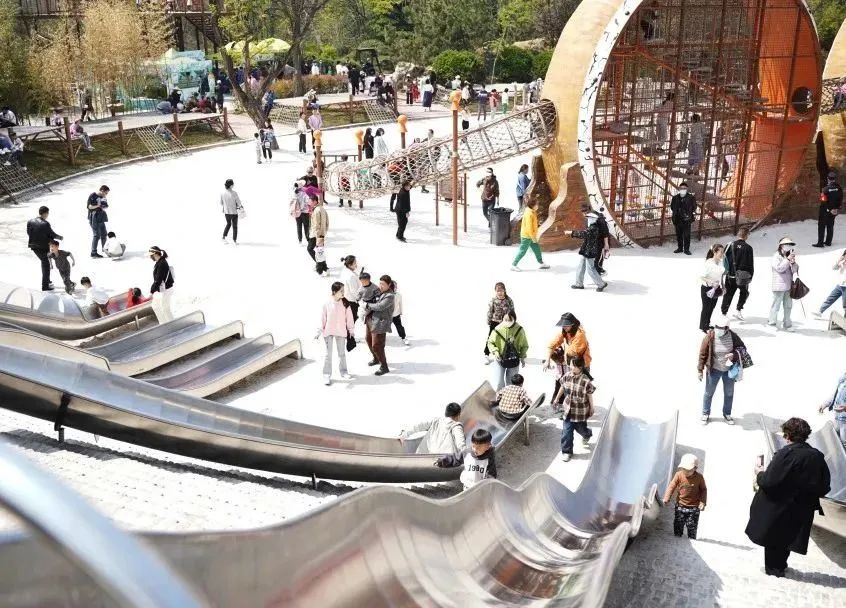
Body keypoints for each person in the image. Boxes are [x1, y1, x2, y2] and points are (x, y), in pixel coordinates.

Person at [745, 417, 831, 577]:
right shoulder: (817, 456)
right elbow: (824, 486)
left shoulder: (785, 454)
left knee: (774, 538)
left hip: (778, 507)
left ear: (788, 435)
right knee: (788, 538)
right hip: (801, 509)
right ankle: (781, 565)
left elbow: (768, 482)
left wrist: (759, 473)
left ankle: (774, 570)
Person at [697, 315, 745, 425]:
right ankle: (705, 413)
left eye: (721, 327)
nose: (718, 329)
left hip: (729, 371)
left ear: (727, 328)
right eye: (716, 327)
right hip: (714, 370)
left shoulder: (733, 336)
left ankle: (727, 414)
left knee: (729, 393)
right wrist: (700, 370)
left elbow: (743, 348)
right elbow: (702, 354)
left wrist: (733, 355)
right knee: (708, 393)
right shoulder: (710, 336)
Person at [556, 357, 594, 462]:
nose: (570, 367)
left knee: (581, 429)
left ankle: (587, 434)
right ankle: (567, 452)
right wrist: (557, 399)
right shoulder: (567, 376)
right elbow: (562, 387)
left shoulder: (585, 380)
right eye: (570, 365)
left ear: (579, 367)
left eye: (573, 365)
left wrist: (592, 407)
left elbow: (590, 395)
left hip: (580, 411)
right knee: (566, 431)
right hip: (568, 409)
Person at [545, 312, 591, 398]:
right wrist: (548, 360)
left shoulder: (580, 334)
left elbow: (572, 352)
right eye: (563, 325)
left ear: (572, 324)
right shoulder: (565, 331)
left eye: (566, 325)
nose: (564, 327)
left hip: (581, 366)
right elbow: (551, 345)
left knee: (581, 392)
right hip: (571, 365)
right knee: (567, 389)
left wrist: (560, 360)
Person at [662, 454, 707, 540]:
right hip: (680, 505)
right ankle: (677, 537)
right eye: (683, 469)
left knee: (692, 525)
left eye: (688, 470)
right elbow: (672, 486)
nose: (685, 472)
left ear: (695, 468)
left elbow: (703, 490)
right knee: (678, 523)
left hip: (694, 507)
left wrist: (702, 502)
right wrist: (667, 497)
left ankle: (692, 538)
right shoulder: (679, 475)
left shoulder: (699, 478)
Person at [318, 281, 355, 385]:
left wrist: (351, 330)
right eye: (341, 291)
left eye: (343, 290)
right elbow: (323, 318)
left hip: (341, 331)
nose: (343, 293)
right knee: (328, 355)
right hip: (328, 331)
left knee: (341, 354)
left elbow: (349, 318)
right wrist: (319, 330)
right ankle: (326, 375)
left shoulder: (345, 303)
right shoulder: (327, 303)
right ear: (334, 292)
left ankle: (344, 372)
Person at [402, 402, 466, 460]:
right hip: (444, 461)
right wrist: (467, 456)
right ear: (458, 415)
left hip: (425, 457)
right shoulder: (456, 426)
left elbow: (419, 426)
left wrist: (404, 435)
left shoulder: (435, 421)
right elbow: (461, 444)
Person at [362, 275, 396, 376]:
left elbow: (380, 306)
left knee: (377, 345)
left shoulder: (390, 296)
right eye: (380, 283)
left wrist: (367, 305)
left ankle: (384, 367)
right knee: (368, 339)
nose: (380, 286)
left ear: (389, 285)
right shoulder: (379, 291)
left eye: (383, 284)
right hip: (370, 319)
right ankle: (376, 358)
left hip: (380, 323)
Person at [487, 310, 528, 391]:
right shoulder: (497, 329)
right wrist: (495, 352)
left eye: (510, 320)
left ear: (514, 319)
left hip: (514, 360)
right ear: (502, 319)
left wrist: (522, 357)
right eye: (505, 319)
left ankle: (510, 397)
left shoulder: (519, 329)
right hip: (500, 359)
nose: (507, 322)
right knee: (499, 383)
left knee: (511, 384)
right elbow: (490, 343)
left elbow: (524, 345)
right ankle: (500, 397)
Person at [569, 208, 609, 291]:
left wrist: (572, 233)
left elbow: (584, 234)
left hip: (590, 251)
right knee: (581, 267)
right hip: (586, 250)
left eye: (589, 218)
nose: (587, 219)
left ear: (593, 219)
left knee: (590, 269)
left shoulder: (594, 228)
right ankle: (579, 284)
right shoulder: (591, 226)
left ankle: (601, 284)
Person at [721, 226, 754, 320]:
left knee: (728, 294)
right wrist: (751, 276)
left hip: (730, 275)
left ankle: (723, 313)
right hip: (743, 276)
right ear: (746, 235)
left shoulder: (730, 245)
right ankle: (738, 310)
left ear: (738, 234)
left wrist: (725, 271)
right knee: (744, 293)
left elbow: (724, 259)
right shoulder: (748, 248)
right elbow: (750, 264)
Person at [27, 206, 62, 291]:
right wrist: (60, 237)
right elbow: (52, 234)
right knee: (46, 264)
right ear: (45, 213)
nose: (47, 215)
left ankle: (47, 280)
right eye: (47, 213)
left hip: (33, 246)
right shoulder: (45, 223)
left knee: (44, 262)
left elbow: (29, 233)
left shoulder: (30, 221)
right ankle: (45, 286)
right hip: (43, 247)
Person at [510, 198, 549, 272]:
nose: (538, 206)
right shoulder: (529, 213)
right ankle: (514, 265)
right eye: (537, 204)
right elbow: (529, 228)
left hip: (531, 236)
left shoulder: (532, 211)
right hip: (526, 236)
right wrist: (533, 237)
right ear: (532, 205)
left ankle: (541, 263)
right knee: (522, 251)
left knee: (537, 249)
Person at [770, 237, 798, 331]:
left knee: (788, 306)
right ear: (781, 245)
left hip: (788, 285)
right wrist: (787, 260)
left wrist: (793, 263)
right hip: (779, 285)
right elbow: (779, 268)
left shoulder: (789, 255)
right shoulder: (776, 256)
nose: (789, 246)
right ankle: (772, 323)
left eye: (790, 245)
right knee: (776, 305)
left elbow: (795, 270)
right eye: (787, 244)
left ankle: (787, 324)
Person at [484, 282, 514, 364]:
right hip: (494, 322)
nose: (499, 292)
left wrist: (512, 321)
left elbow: (512, 311)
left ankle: (505, 355)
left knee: (507, 339)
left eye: (501, 291)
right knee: (490, 338)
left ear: (504, 290)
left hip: (505, 323)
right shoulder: (493, 300)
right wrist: (489, 320)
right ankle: (486, 355)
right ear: (495, 291)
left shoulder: (509, 300)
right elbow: (490, 311)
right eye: (498, 291)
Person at [699, 244, 725, 333]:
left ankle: (707, 323)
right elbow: (702, 276)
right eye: (721, 252)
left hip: (716, 288)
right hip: (707, 289)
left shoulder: (721, 262)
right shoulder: (709, 263)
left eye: (723, 252)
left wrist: (723, 286)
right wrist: (712, 282)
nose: (722, 254)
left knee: (712, 307)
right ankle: (704, 326)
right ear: (715, 252)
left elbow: (721, 276)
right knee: (706, 308)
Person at [813, 249, 846, 318]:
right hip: (839, 285)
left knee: (845, 303)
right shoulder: (842, 262)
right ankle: (820, 312)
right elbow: (834, 268)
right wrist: (839, 261)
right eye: (845, 255)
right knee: (830, 298)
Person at [813, 171, 842, 248]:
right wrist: (836, 208)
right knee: (830, 225)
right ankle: (828, 242)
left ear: (828, 179)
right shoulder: (839, 188)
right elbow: (840, 199)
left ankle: (820, 243)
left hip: (825, 210)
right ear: (834, 179)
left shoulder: (825, 189)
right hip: (834, 211)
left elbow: (823, 201)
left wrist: (829, 209)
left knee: (821, 226)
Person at [819, 372, 846, 449]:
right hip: (838, 418)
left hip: (845, 421)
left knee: (844, 442)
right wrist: (825, 404)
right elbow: (836, 395)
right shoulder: (843, 379)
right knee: (836, 439)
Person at [148, 246, 174, 323]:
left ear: (156, 254)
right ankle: (164, 323)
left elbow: (158, 280)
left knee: (165, 308)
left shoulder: (162, 263)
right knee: (156, 306)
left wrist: (152, 291)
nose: (150, 257)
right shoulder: (159, 262)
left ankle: (170, 324)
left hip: (166, 289)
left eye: (151, 255)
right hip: (163, 289)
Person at [670, 182, 696, 254]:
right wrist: (677, 212)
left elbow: (694, 207)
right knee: (679, 235)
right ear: (679, 189)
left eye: (684, 188)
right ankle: (680, 248)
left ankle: (686, 249)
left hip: (686, 219)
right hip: (677, 219)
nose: (683, 189)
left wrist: (687, 212)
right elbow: (672, 207)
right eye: (681, 188)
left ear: (687, 189)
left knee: (687, 235)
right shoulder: (675, 198)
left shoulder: (691, 197)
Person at [87, 185, 110, 258]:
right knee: (96, 235)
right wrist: (98, 205)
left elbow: (105, 206)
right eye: (106, 193)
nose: (106, 194)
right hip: (94, 218)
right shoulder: (93, 195)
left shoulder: (103, 197)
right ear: (102, 191)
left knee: (104, 234)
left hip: (101, 217)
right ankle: (93, 252)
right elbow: (89, 207)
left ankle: (105, 249)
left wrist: (104, 205)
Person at [220, 178, 243, 245]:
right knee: (235, 226)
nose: (233, 185)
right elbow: (239, 203)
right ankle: (234, 240)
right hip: (234, 212)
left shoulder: (222, 193)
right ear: (230, 185)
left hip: (226, 212)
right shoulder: (234, 193)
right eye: (233, 184)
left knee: (228, 224)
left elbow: (221, 203)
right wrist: (240, 206)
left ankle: (223, 237)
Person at [340, 255, 363, 321]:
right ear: (350, 265)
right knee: (351, 320)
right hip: (351, 301)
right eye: (355, 263)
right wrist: (360, 300)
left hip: (345, 299)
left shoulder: (345, 271)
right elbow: (354, 291)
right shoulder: (351, 276)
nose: (356, 264)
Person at [307, 194, 328, 264]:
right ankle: (323, 265)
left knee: (310, 249)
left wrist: (317, 236)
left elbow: (316, 225)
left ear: (315, 201)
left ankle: (319, 264)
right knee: (320, 251)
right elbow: (327, 221)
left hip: (316, 234)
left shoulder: (316, 210)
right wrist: (324, 231)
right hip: (322, 233)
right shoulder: (321, 208)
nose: (309, 203)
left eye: (310, 201)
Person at [391, 279, 409, 345]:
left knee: (399, 327)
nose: (395, 288)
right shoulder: (385, 294)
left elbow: (400, 304)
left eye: (396, 286)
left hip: (396, 314)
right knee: (383, 327)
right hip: (387, 315)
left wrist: (401, 311)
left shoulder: (399, 295)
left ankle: (403, 338)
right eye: (394, 286)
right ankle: (381, 338)